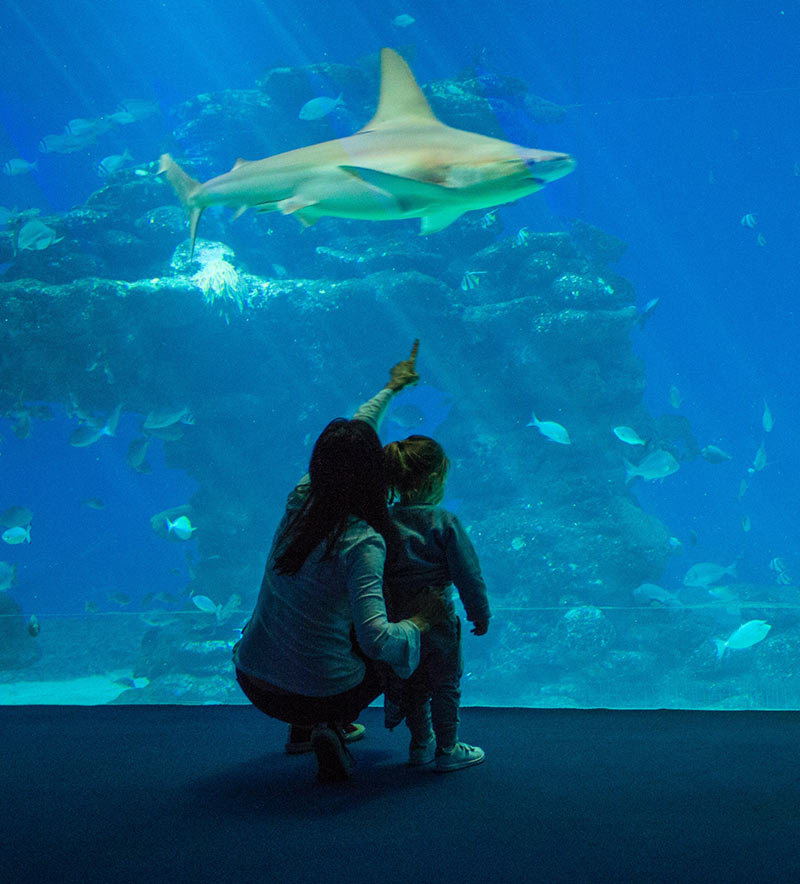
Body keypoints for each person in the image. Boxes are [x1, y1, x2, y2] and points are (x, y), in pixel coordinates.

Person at [233, 341, 446, 782]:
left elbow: (354, 432)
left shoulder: (301, 499)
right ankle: (328, 723)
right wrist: (420, 622)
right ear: (374, 472)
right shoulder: (361, 541)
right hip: (315, 693)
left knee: (314, 615)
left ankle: (300, 733)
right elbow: (377, 641)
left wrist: (390, 389)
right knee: (386, 638)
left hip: (252, 678)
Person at [381, 434, 491, 772]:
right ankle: (448, 748)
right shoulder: (444, 522)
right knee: (445, 683)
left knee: (413, 683)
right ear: (433, 479)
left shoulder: (383, 521)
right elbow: (468, 574)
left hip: (400, 622)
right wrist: (479, 612)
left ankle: (420, 744)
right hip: (439, 621)